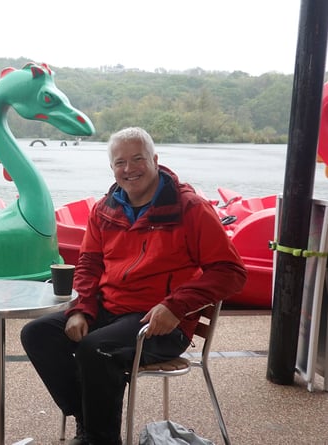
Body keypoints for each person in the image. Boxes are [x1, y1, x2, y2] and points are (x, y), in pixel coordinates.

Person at [21, 127, 247, 445]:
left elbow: (231, 271)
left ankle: (98, 438)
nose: (129, 169)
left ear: (155, 160)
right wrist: (81, 309)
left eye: (138, 159)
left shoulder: (190, 209)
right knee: (38, 334)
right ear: (112, 168)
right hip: (110, 309)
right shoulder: (105, 209)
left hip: (160, 322)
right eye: (120, 162)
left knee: (96, 349)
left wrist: (176, 305)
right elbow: (89, 264)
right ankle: (89, 421)